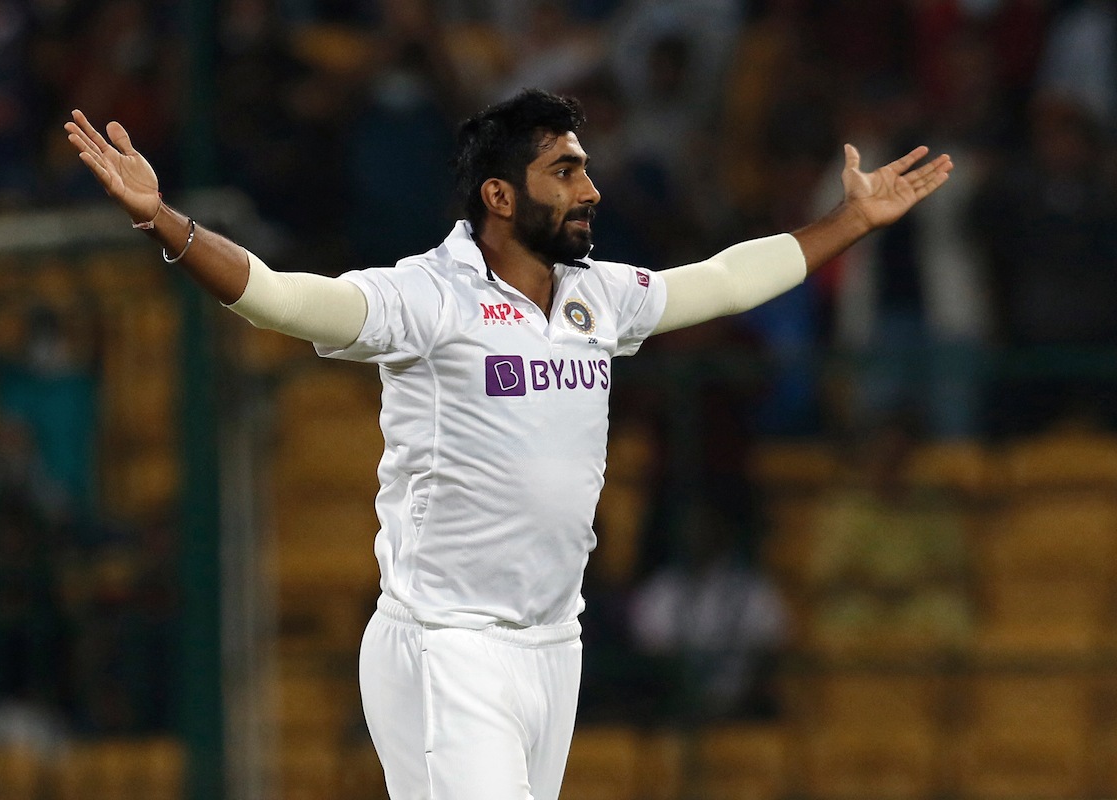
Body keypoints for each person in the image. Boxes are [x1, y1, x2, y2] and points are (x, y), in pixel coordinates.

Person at [64, 88, 951, 800]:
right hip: (449, 643)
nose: (590, 190)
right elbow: (295, 301)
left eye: (586, 169)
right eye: (565, 171)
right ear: (499, 194)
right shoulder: (431, 297)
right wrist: (165, 221)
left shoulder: (597, 294)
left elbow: (718, 281)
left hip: (551, 642)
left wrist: (850, 222)